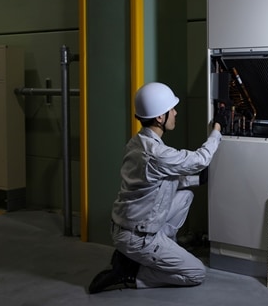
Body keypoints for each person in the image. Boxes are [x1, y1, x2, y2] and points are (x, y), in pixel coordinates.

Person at [89, 82, 225, 294]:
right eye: (172, 109)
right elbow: (200, 159)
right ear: (160, 117)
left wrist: (196, 180)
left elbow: (160, 181)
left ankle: (149, 254)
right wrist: (216, 130)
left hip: (128, 226)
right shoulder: (155, 154)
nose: (175, 113)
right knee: (196, 273)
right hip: (138, 236)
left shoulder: (138, 142)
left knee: (185, 197)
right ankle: (132, 275)